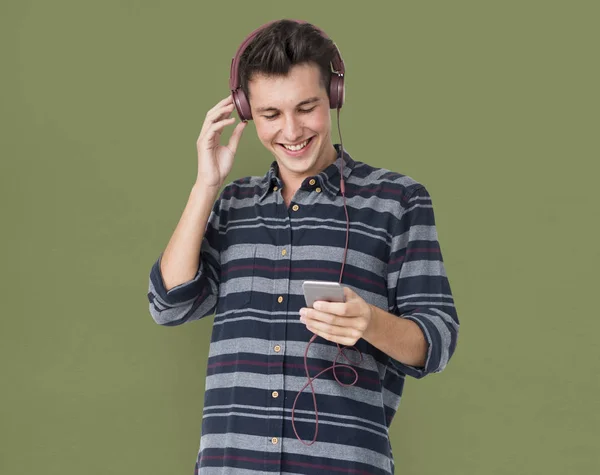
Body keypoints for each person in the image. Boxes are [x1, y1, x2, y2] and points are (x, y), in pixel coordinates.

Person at [147, 18, 459, 475]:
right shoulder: (232, 204)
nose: (291, 131)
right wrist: (205, 185)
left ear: (334, 98)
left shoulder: (397, 201)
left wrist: (369, 322)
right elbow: (169, 304)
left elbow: (437, 339)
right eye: (271, 115)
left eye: (306, 108)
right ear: (247, 111)